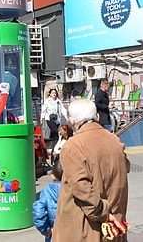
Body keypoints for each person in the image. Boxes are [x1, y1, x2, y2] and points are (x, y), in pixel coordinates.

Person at [52, 99, 130, 241]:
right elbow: (125, 168)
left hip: (85, 227)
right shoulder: (115, 141)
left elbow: (82, 188)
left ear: (71, 121)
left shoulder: (72, 147)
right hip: (114, 225)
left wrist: (103, 212)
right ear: (97, 117)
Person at [32, 161, 63, 242]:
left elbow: (38, 213)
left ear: (53, 176)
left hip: (53, 234)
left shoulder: (47, 191)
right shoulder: (75, 190)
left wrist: (46, 230)